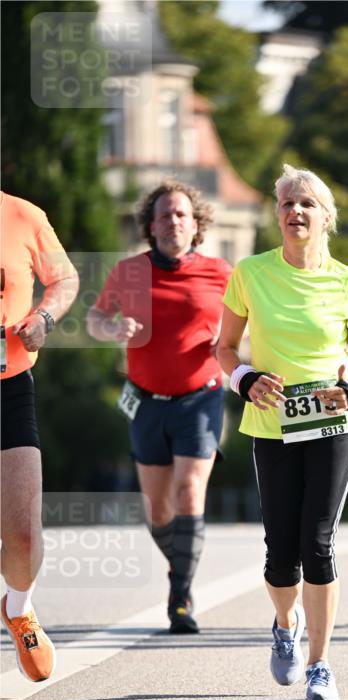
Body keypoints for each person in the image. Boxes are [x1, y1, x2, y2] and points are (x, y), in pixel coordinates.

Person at [218, 164, 348, 700]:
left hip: (334, 423)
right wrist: (245, 379)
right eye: (287, 203)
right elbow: (224, 348)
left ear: (326, 217)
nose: (295, 211)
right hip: (272, 425)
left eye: (307, 203)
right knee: (280, 552)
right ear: (277, 215)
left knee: (318, 542)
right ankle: (285, 624)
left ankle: (320, 665)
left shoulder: (347, 282)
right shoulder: (250, 274)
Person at [87, 181, 231, 633]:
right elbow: (95, 318)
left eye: (181, 214)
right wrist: (113, 330)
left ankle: (180, 597)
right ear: (151, 225)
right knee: (157, 511)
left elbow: (249, 325)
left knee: (189, 490)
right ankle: (182, 564)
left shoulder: (221, 272)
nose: (173, 222)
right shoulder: (130, 271)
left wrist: (230, 340)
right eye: (164, 215)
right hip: (146, 402)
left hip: (201, 397)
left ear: (196, 223)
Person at [0, 191, 79, 680]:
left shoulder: (22, 215)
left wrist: (43, 318)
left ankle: (19, 607)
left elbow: (65, 279)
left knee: (25, 536)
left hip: (8, 386)